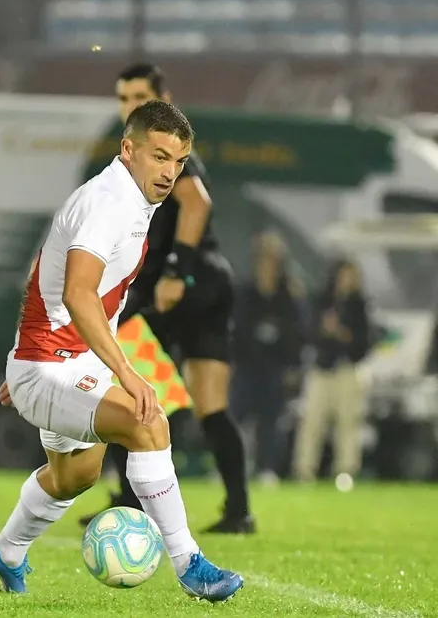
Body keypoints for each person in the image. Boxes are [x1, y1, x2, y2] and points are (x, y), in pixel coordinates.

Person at [0, 100, 243, 601]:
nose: (169, 172)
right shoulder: (109, 203)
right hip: (51, 367)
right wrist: (126, 373)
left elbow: (49, 274)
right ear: (128, 148)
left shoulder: (134, 200)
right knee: (148, 421)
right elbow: (77, 292)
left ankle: (7, 552)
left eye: (179, 162)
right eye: (160, 156)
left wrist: (26, 352)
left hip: (60, 362)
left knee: (75, 476)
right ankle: (190, 566)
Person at [73, 63, 253, 533]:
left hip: (184, 285)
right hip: (210, 283)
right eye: (123, 96)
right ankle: (239, 512)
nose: (129, 103)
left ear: (160, 99)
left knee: (127, 388)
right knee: (209, 404)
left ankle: (130, 506)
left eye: (138, 95)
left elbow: (197, 203)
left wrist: (176, 270)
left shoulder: (160, 146)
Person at [230, 231, 306, 483]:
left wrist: (293, 366)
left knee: (270, 423)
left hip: (275, 368)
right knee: (235, 420)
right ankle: (229, 468)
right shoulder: (245, 293)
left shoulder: (289, 296)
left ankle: (267, 469)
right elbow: (235, 329)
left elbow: (297, 334)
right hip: (246, 366)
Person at [293, 259, 370, 483]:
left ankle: (346, 470)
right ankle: (304, 469)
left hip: (348, 368)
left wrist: (344, 335)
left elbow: (364, 341)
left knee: (348, 422)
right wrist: (324, 330)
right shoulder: (322, 301)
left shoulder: (359, 305)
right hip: (322, 367)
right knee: (311, 420)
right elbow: (308, 332)